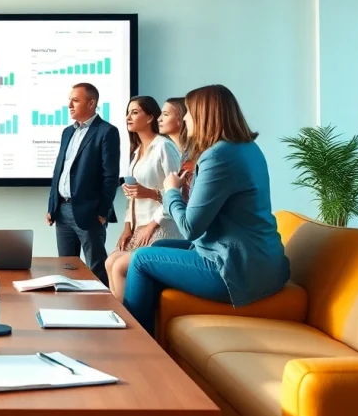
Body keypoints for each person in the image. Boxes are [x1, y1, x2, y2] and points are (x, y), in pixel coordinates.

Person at [121, 84, 291, 335]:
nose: (186, 119)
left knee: (141, 259)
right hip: (263, 263)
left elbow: (190, 228)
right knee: (157, 248)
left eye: (188, 112)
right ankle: (155, 336)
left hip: (236, 270)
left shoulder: (217, 157)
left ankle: (136, 341)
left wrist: (170, 191)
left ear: (204, 115)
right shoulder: (247, 148)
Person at [105, 96, 181, 300]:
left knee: (120, 266)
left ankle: (129, 323)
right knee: (109, 262)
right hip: (139, 225)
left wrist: (148, 199)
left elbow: (178, 192)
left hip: (161, 225)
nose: (128, 117)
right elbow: (134, 195)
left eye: (135, 112)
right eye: (128, 112)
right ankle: (118, 316)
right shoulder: (137, 151)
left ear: (150, 117)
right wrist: (127, 227)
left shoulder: (164, 147)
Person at [45, 82, 120, 285]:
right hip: (62, 211)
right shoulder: (67, 132)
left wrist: (103, 212)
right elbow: (58, 170)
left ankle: (100, 310)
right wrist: (52, 205)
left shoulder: (106, 131)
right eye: (69, 100)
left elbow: (110, 177)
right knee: (66, 267)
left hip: (90, 212)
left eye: (75, 100)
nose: (69, 104)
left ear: (91, 103)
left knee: (95, 267)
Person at [159, 97, 195, 200]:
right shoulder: (181, 152)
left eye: (165, 114)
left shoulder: (193, 156)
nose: (159, 119)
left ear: (182, 117)